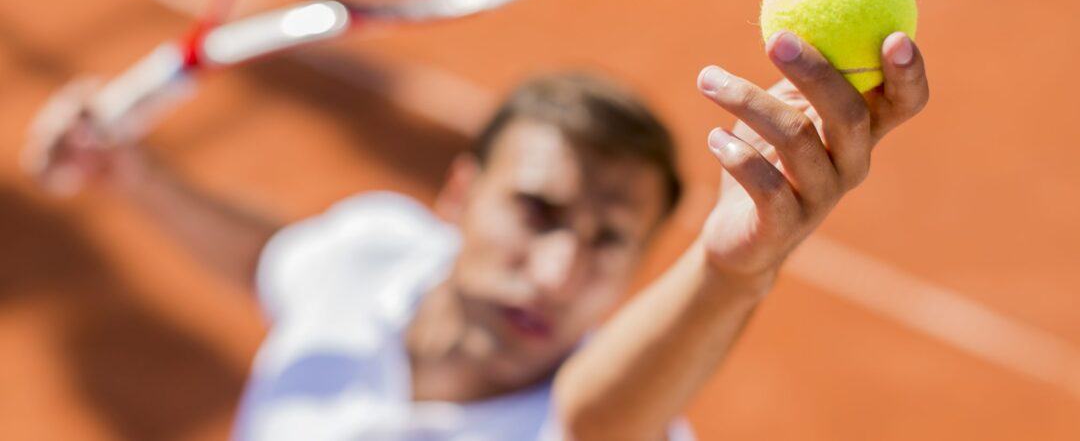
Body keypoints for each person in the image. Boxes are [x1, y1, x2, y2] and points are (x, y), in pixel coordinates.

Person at [23, 30, 929, 440]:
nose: (560, 269)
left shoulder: (609, 410)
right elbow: (277, 262)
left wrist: (731, 274)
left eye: (611, 240)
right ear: (458, 194)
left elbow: (598, 422)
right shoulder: (369, 250)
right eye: (537, 210)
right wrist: (131, 174)